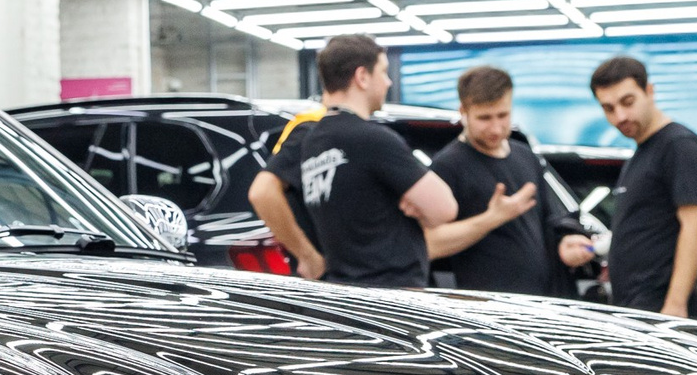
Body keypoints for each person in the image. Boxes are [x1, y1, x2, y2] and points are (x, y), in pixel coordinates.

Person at [248, 33, 456, 288]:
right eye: (383, 71)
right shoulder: (373, 139)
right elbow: (445, 209)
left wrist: (308, 255)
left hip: (344, 291)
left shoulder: (311, 140)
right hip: (393, 292)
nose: (389, 82)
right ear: (362, 76)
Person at [426, 66, 596, 295]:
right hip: (487, 305)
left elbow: (549, 222)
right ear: (463, 111)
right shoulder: (448, 166)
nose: (496, 128)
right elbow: (430, 244)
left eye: (503, 115)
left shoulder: (526, 156)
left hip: (542, 302)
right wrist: (491, 219)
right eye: (484, 118)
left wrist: (565, 243)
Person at [590, 53, 697, 317]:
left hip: (662, 310)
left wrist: (676, 304)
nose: (620, 116)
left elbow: (695, 227)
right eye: (609, 108)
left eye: (628, 102)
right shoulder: (642, 153)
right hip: (635, 307)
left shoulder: (679, 146)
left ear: (649, 91)